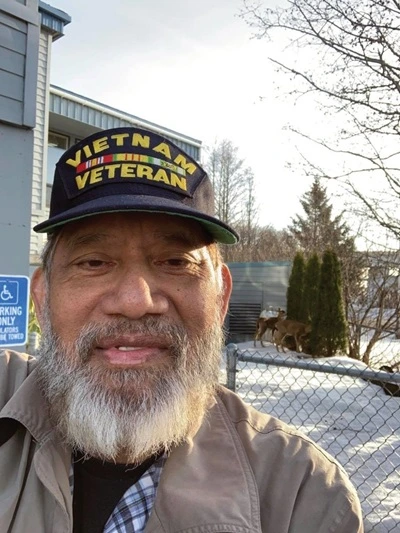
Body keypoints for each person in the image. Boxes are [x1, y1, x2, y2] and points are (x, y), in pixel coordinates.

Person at [0, 127, 363, 533]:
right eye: (93, 262)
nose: (136, 303)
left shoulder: (304, 497)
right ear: (43, 298)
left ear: (222, 296)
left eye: (175, 262)